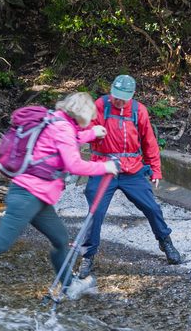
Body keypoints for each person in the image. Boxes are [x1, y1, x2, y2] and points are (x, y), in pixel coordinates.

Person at [0, 92, 120, 312]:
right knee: (1, 241)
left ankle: (69, 285)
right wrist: (105, 167)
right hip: (27, 195)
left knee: (60, 239)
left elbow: (67, 142)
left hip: (38, 197)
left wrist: (90, 134)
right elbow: (74, 165)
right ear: (84, 112)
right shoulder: (63, 127)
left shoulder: (57, 121)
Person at [76, 74, 184, 280]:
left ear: (131, 96)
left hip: (132, 170)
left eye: (122, 98)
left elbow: (149, 141)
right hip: (104, 167)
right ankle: (88, 255)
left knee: (152, 207)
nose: (118, 101)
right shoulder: (101, 105)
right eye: (115, 96)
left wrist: (155, 169)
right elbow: (86, 128)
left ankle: (165, 241)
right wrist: (92, 132)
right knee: (95, 212)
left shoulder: (138, 111)